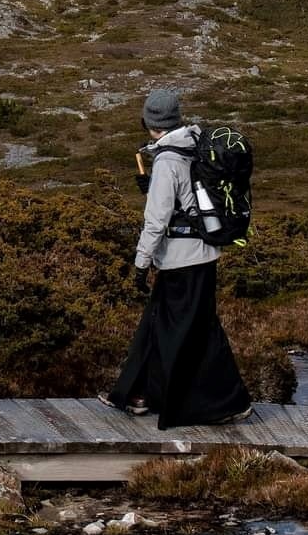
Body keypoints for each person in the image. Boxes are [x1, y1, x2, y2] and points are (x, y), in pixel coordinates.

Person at [103, 89, 252, 429]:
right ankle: (141, 395)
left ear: (147, 121)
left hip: (179, 260)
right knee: (180, 326)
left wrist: (141, 263)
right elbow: (188, 198)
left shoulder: (167, 160)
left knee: (181, 332)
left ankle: (225, 403)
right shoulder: (193, 142)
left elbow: (156, 222)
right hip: (203, 255)